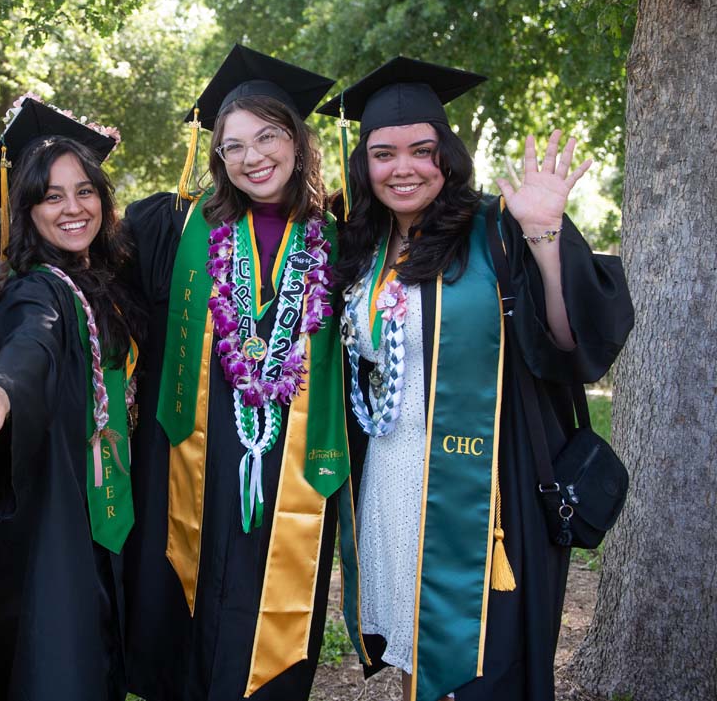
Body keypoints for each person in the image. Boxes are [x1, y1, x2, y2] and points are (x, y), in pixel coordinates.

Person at [316, 57, 634, 701]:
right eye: (383, 154)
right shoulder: (362, 248)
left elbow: (568, 343)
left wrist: (544, 235)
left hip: (490, 483)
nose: (402, 168)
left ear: (446, 156)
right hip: (391, 472)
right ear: (364, 164)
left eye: (421, 151)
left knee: (486, 657)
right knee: (412, 640)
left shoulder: (497, 228)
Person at [121, 45, 349, 701]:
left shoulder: (341, 240)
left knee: (271, 634)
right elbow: (87, 267)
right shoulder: (173, 225)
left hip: (296, 468)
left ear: (298, 140)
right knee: (190, 627)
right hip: (194, 460)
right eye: (233, 146)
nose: (252, 158)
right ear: (216, 157)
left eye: (267, 136)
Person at [0, 96, 139, 701]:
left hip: (96, 502)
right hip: (54, 515)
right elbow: (33, 346)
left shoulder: (101, 279)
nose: (73, 208)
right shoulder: (35, 290)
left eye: (84, 191)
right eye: (51, 196)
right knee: (56, 663)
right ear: (25, 210)